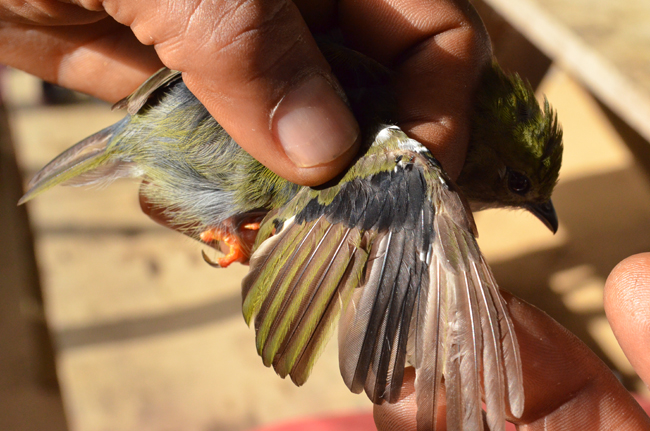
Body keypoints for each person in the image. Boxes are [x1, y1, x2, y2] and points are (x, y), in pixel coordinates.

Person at [1, 1, 649, 429]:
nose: (523, 200)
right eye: (516, 182)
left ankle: (232, 228)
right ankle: (234, 228)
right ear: (490, 153)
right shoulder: (413, 158)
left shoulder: (401, 118)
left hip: (171, 120)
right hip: (195, 138)